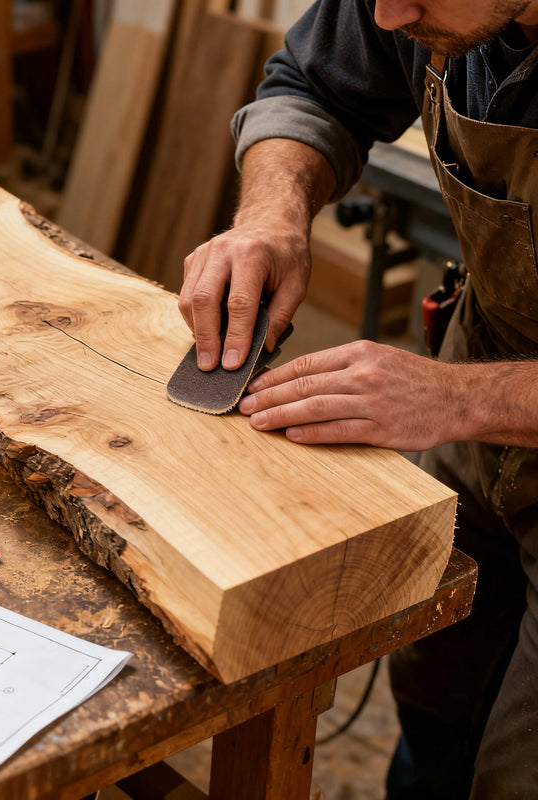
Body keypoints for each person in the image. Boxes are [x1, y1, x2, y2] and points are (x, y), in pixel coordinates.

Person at [177, 0, 538, 797]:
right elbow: (311, 86)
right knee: (437, 683)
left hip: (475, 397)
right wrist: (274, 214)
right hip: (485, 378)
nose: (388, 12)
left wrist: (455, 398)